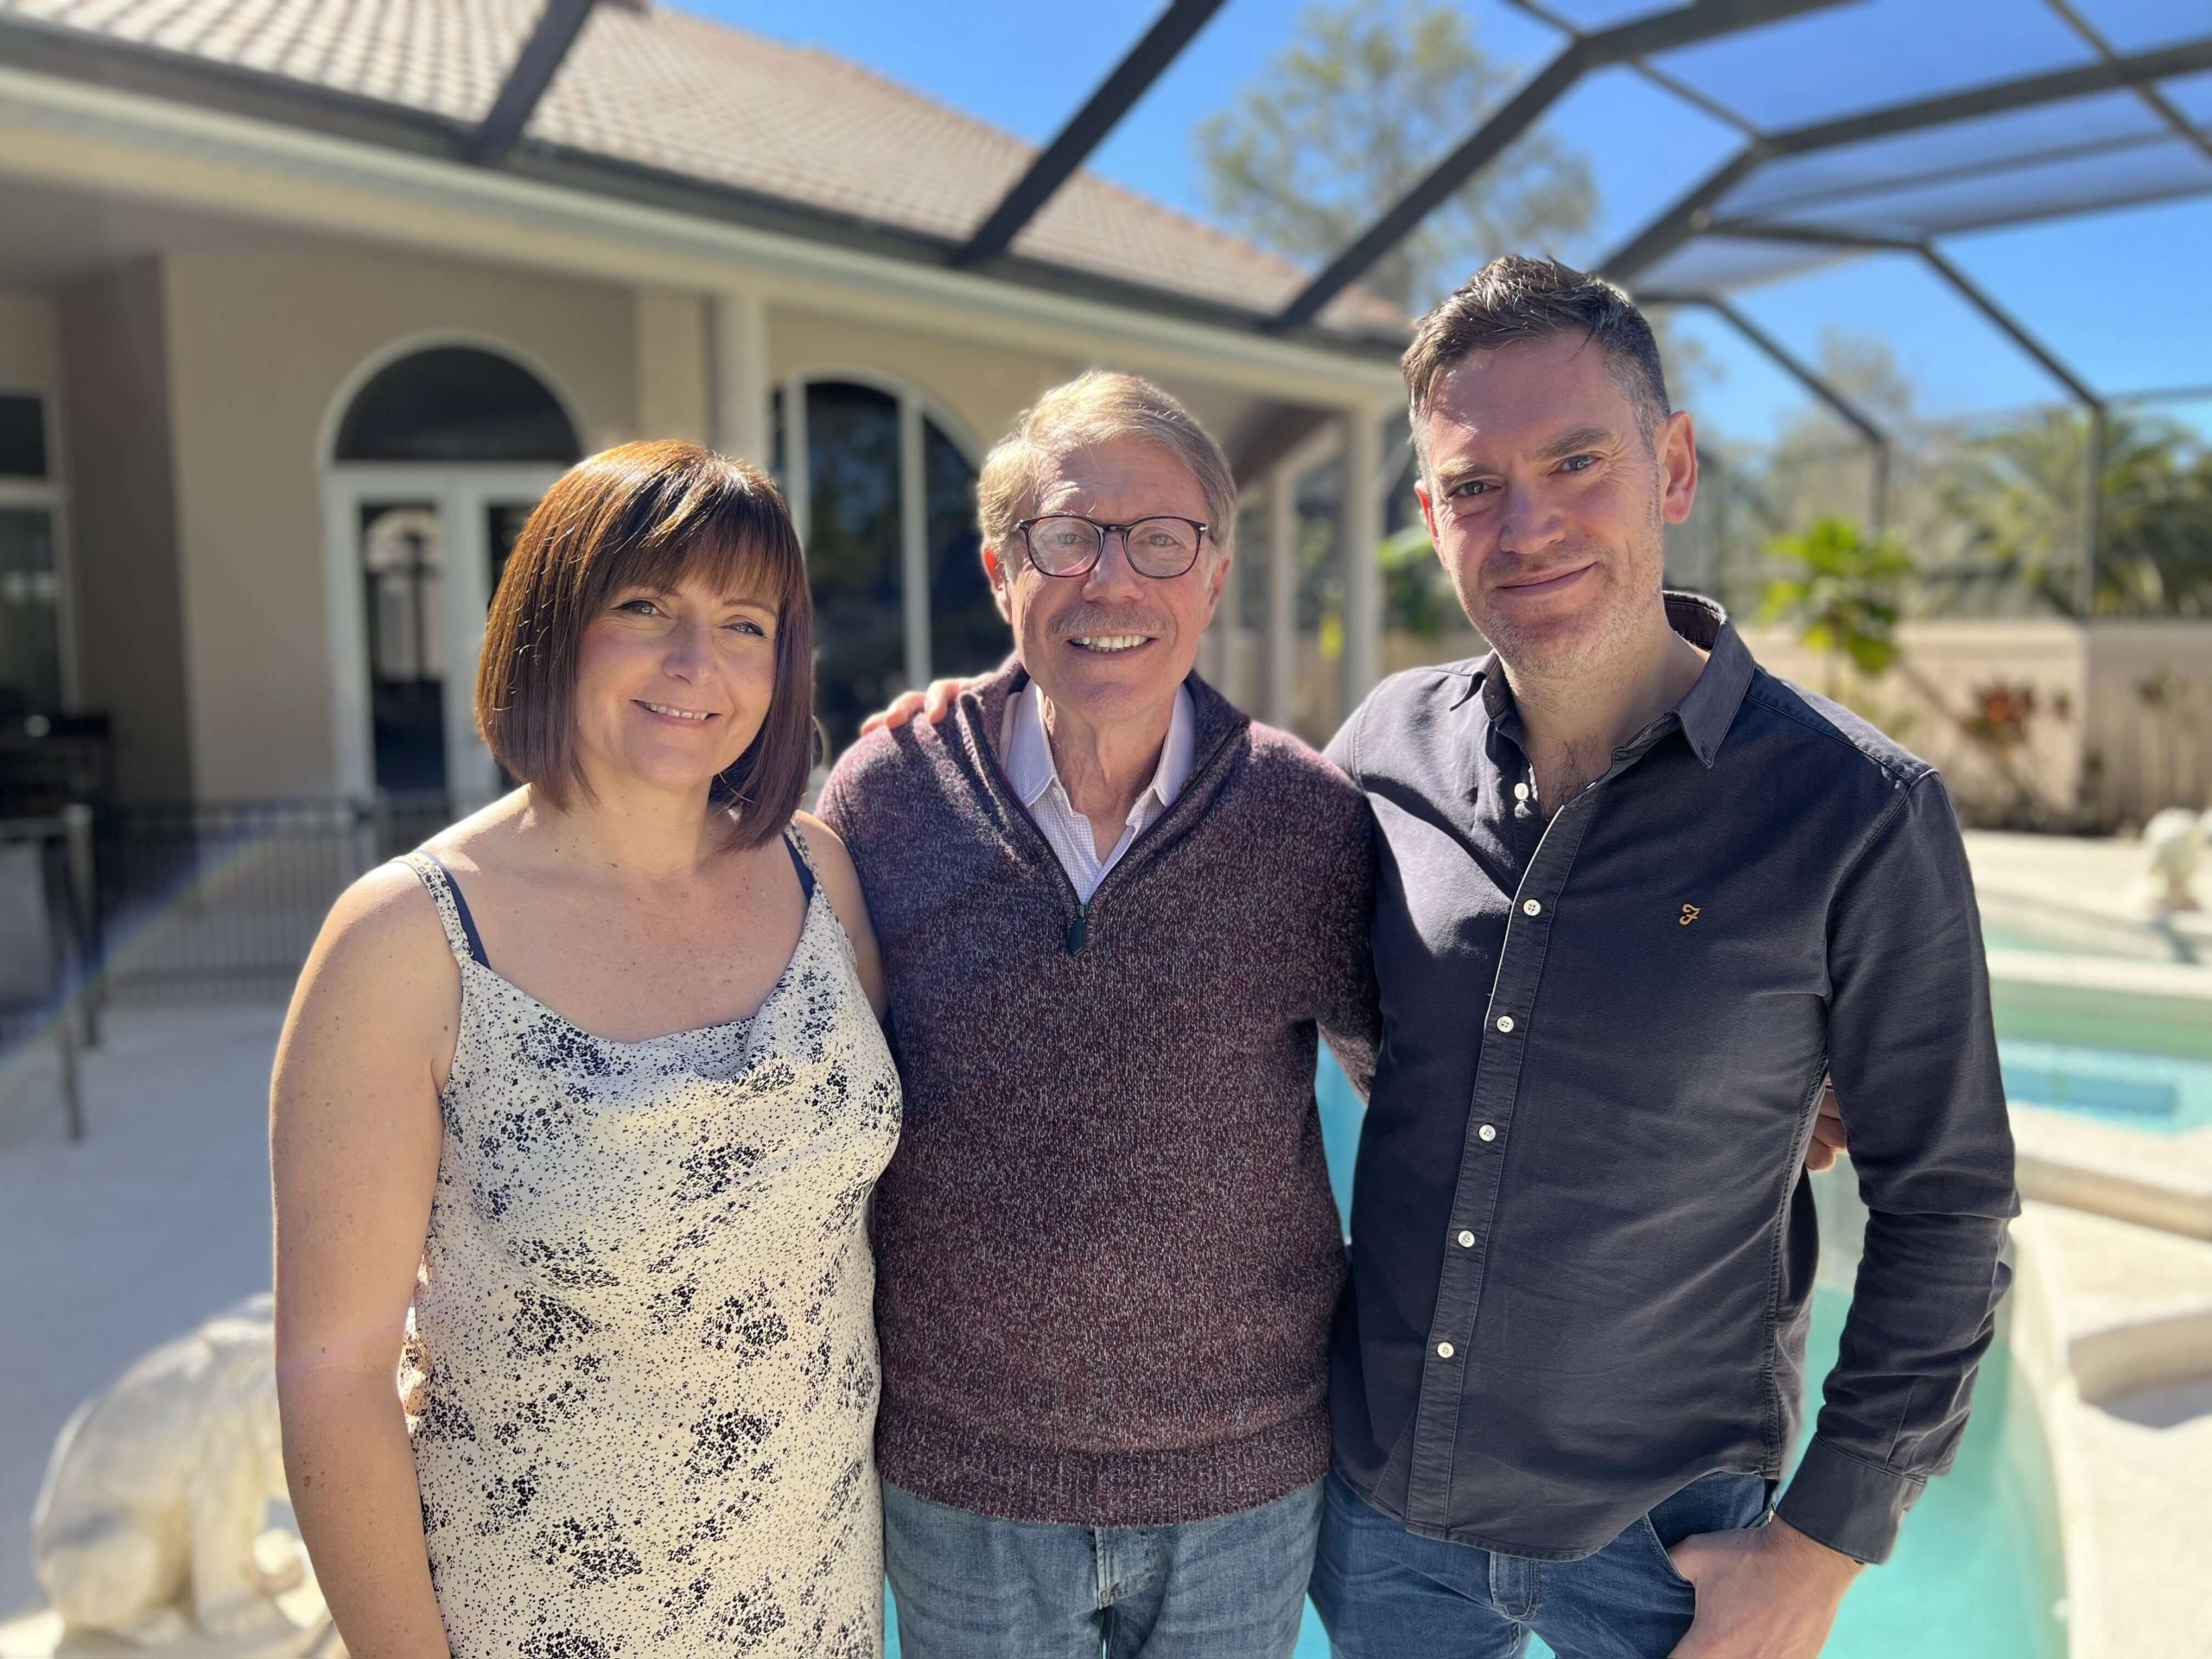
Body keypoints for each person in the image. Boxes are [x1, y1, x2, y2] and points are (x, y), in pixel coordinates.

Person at [1309, 257, 2018, 1659]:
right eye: (1472, 485)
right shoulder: (1379, 754)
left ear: (1672, 466)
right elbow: (1310, 988)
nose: (1528, 524)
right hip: (1384, 1518)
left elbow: (1948, 1204)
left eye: (1578, 461)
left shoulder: (1857, 815)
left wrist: (1821, 1550)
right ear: (1429, 517)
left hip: (1676, 1549)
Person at [271, 442, 901, 1659]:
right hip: (544, 1622)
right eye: (644, 608)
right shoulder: (409, 941)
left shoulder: (821, 875)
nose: (693, 664)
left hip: (816, 1606)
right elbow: (332, 1383)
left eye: (744, 623)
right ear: (552, 625)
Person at [816, 372, 1381, 1659]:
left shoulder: (1307, 820)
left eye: (1161, 540)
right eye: (1066, 537)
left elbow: (1431, 1088)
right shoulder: (890, 796)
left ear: (1215, 574)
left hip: (1243, 1482)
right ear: (1002, 571)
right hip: (963, 1486)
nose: (1112, 582)